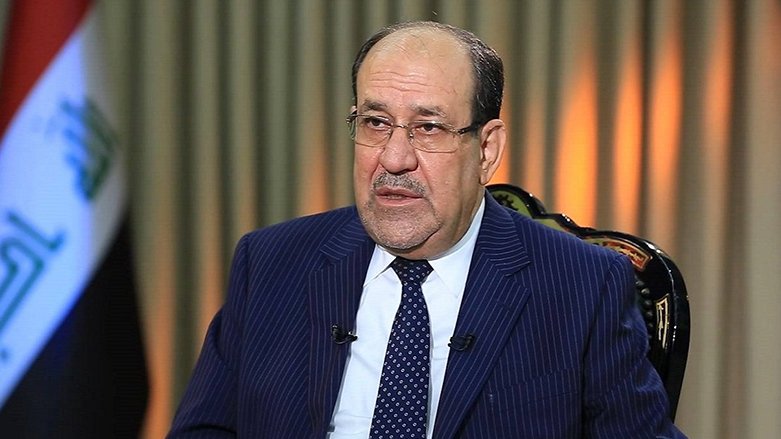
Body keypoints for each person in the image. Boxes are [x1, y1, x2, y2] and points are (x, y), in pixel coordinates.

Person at [168, 21, 686, 438]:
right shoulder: (271, 261)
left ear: (486, 150)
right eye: (375, 123)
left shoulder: (581, 284)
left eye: (429, 128)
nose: (394, 158)